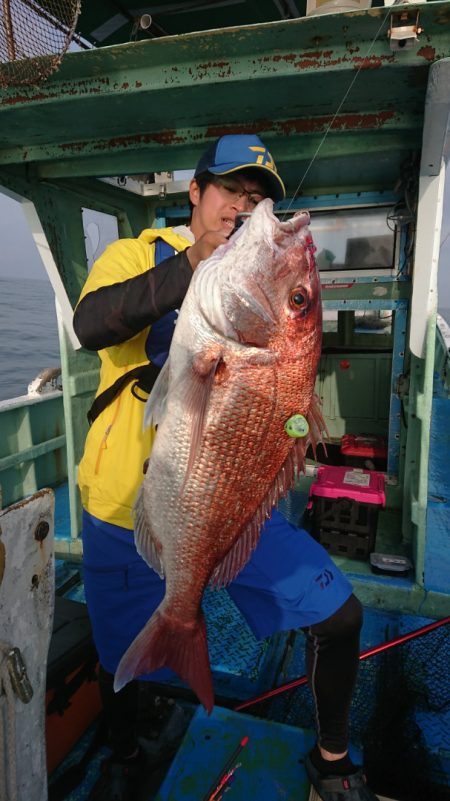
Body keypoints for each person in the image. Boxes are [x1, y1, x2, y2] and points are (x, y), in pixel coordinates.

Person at [73, 134, 378, 801]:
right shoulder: (138, 255)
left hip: (232, 499)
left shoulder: (260, 312)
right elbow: (91, 323)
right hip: (125, 505)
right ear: (195, 192)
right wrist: (193, 263)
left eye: (258, 196)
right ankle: (124, 749)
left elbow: (292, 416)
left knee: (341, 616)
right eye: (231, 191)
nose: (243, 207)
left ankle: (332, 759)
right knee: (116, 649)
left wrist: (294, 428)